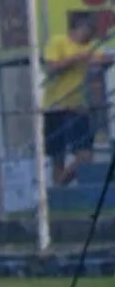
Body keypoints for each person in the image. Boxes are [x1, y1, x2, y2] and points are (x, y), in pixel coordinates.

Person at [43, 12, 112, 185]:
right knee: (57, 156)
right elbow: (51, 68)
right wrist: (74, 58)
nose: (92, 36)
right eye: (90, 30)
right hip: (55, 106)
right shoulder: (58, 42)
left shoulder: (91, 47)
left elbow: (102, 60)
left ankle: (59, 184)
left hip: (78, 107)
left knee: (85, 155)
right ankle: (58, 197)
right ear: (79, 28)